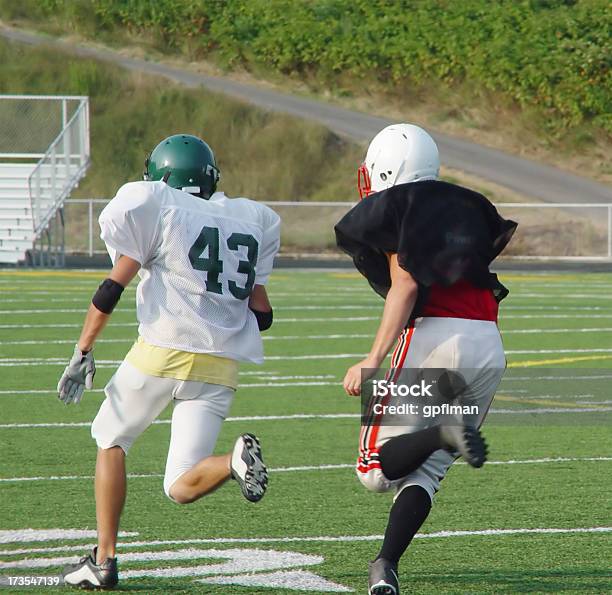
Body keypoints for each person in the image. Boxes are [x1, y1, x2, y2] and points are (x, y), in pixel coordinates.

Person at [56, 134, 281, 589]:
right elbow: (264, 314)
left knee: (110, 438)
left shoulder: (161, 207)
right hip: (220, 365)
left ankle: (104, 559)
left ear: (163, 176)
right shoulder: (249, 218)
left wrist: (82, 351)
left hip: (163, 348)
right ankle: (233, 460)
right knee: (180, 484)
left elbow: (109, 290)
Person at [335, 123, 517, 595]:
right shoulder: (459, 206)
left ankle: (444, 431)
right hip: (487, 345)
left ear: (381, 170)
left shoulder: (403, 207)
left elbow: (407, 284)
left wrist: (373, 359)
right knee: (426, 471)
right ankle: (385, 566)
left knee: (374, 469)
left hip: (435, 338)